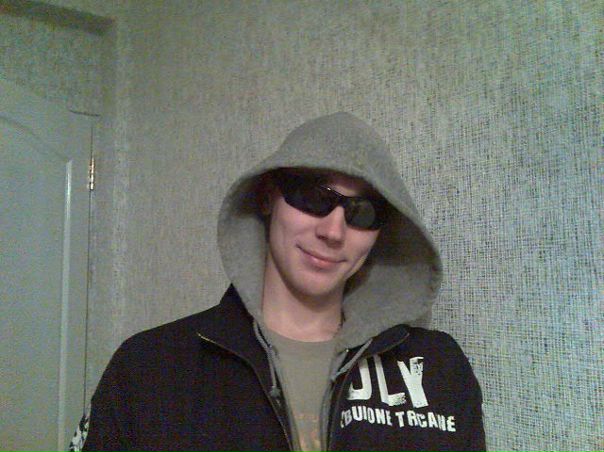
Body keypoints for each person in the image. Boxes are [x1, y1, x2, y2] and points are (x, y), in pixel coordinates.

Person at [71, 112, 486, 451]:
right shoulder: (149, 369)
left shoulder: (439, 370)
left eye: (363, 212)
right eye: (313, 197)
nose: (333, 231)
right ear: (268, 196)